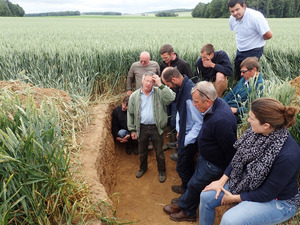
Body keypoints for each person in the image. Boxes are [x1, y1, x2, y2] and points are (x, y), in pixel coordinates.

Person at [199, 98, 300, 225]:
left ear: (266, 125)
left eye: (252, 118)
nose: (248, 120)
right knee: (205, 197)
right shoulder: (256, 132)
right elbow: (239, 157)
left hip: (278, 201)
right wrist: (221, 181)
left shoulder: (288, 155)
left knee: (229, 220)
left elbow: (267, 193)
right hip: (249, 184)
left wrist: (234, 198)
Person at [163, 81, 237, 222]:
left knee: (195, 185)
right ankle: (184, 205)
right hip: (206, 158)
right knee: (194, 183)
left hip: (214, 164)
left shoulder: (221, 120)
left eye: (196, 102)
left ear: (207, 101)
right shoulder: (215, 105)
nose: (194, 105)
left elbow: (230, 152)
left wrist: (226, 172)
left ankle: (188, 212)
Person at [127, 72, 175, 183]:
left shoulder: (159, 92)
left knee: (159, 152)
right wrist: (132, 129)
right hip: (141, 128)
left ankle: (162, 171)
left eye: (151, 82)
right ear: (142, 81)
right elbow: (130, 113)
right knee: (142, 151)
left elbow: (171, 98)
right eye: (147, 81)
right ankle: (143, 168)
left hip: (156, 128)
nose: (149, 84)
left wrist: (160, 84)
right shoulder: (134, 96)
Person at [161, 67, 203, 196]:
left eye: (168, 84)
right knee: (183, 167)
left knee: (184, 168)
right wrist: (179, 130)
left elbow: (198, 123)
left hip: (189, 139)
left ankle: (187, 193)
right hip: (184, 133)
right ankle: (185, 187)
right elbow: (180, 112)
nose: (169, 87)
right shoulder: (182, 89)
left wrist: (185, 140)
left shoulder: (190, 95)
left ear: (174, 79)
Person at [160, 44, 193, 157]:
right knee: (169, 119)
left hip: (178, 97)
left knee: (175, 121)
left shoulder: (182, 64)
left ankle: (177, 147)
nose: (164, 60)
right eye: (162, 58)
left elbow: (190, 79)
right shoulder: (163, 65)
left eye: (165, 57)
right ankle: (172, 141)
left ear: (172, 54)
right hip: (167, 97)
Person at [227, 0, 273, 80]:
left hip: (254, 50)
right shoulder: (232, 19)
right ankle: (241, 90)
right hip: (240, 50)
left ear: (244, 6)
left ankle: (253, 91)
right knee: (239, 74)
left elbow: (268, 35)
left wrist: (255, 40)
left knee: (249, 75)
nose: (235, 13)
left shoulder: (255, 17)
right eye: (232, 11)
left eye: (237, 9)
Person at [223, 57, 264, 122]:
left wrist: (237, 110)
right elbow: (231, 93)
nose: (241, 74)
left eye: (244, 72)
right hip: (228, 108)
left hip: (239, 115)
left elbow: (256, 108)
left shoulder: (260, 86)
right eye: (241, 72)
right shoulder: (244, 79)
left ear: (254, 70)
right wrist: (221, 103)